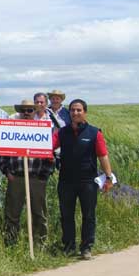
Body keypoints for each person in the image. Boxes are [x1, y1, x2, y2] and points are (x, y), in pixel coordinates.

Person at [57, 99, 115, 260]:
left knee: (88, 215)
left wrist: (109, 177)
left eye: (78, 110)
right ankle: (69, 247)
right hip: (66, 180)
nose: (75, 113)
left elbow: (103, 156)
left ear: (85, 112)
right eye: (72, 110)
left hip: (88, 181)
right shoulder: (62, 132)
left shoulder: (95, 133)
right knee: (66, 215)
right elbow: (47, 148)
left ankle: (86, 248)